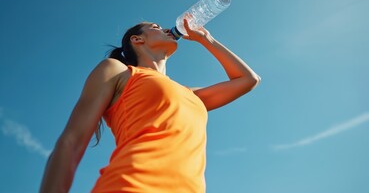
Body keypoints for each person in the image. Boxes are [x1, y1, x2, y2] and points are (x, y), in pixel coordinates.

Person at [40, 19, 261, 193]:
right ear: (137, 40)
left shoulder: (190, 94)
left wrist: (206, 39)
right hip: (130, 186)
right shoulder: (119, 71)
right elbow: (71, 142)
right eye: (155, 26)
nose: (165, 28)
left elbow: (248, 80)